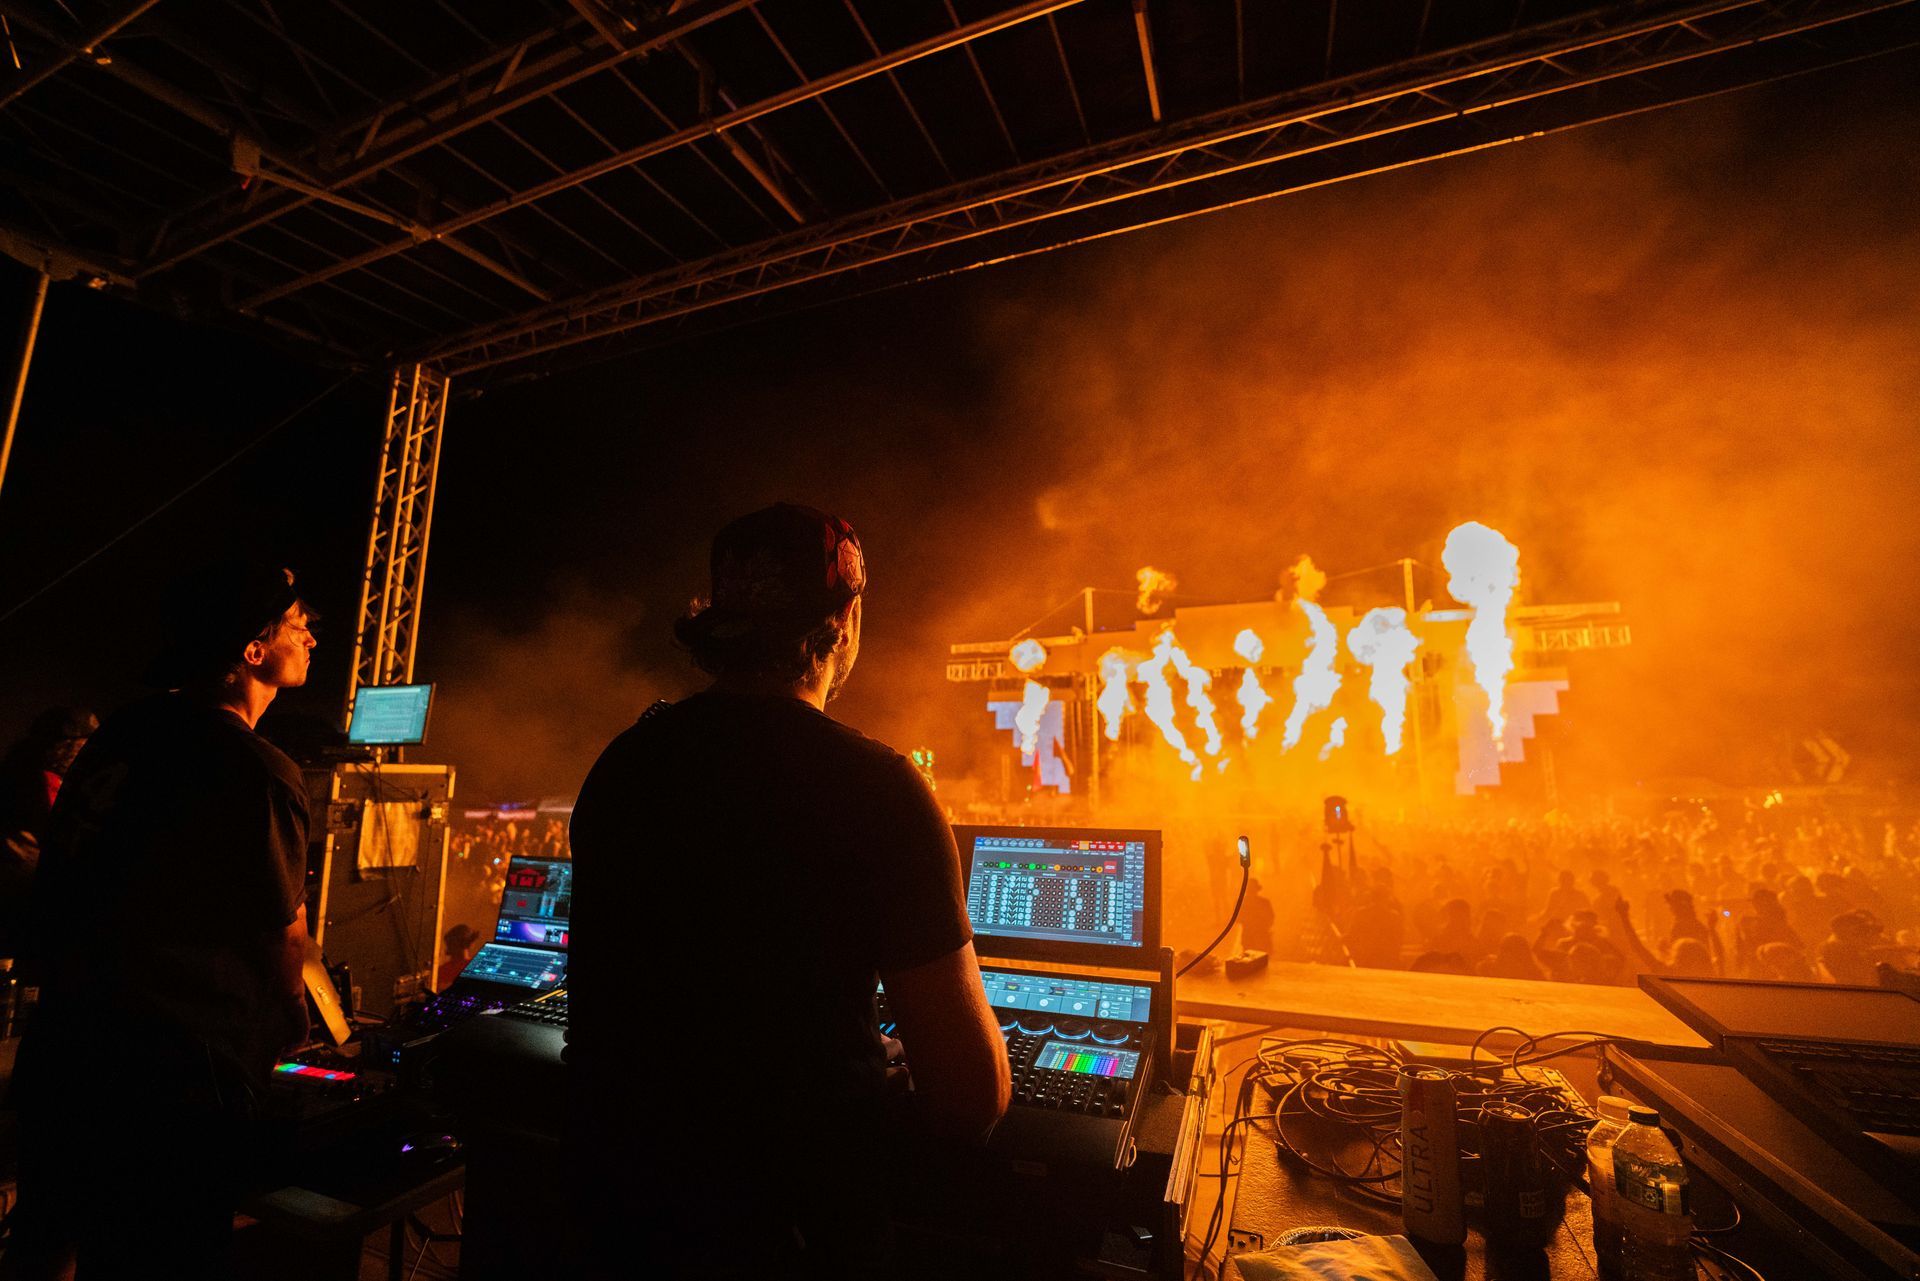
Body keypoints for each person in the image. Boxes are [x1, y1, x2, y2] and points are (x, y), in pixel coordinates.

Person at [568, 504, 1009, 1279]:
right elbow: (974, 1097)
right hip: (792, 1231)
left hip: (624, 1213)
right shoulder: (881, 788)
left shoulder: (626, 762)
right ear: (843, 623)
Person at [6, 561, 317, 1279]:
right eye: (298, 625)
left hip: (66, 1049)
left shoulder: (124, 733)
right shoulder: (256, 769)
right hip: (170, 1081)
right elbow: (280, 931)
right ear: (253, 648)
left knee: (44, 1245)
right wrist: (298, 1020)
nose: (311, 638)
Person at [0, 707, 95, 958]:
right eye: (87, 744)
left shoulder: (60, 784)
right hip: (27, 911)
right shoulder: (31, 786)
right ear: (64, 746)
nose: (94, 753)